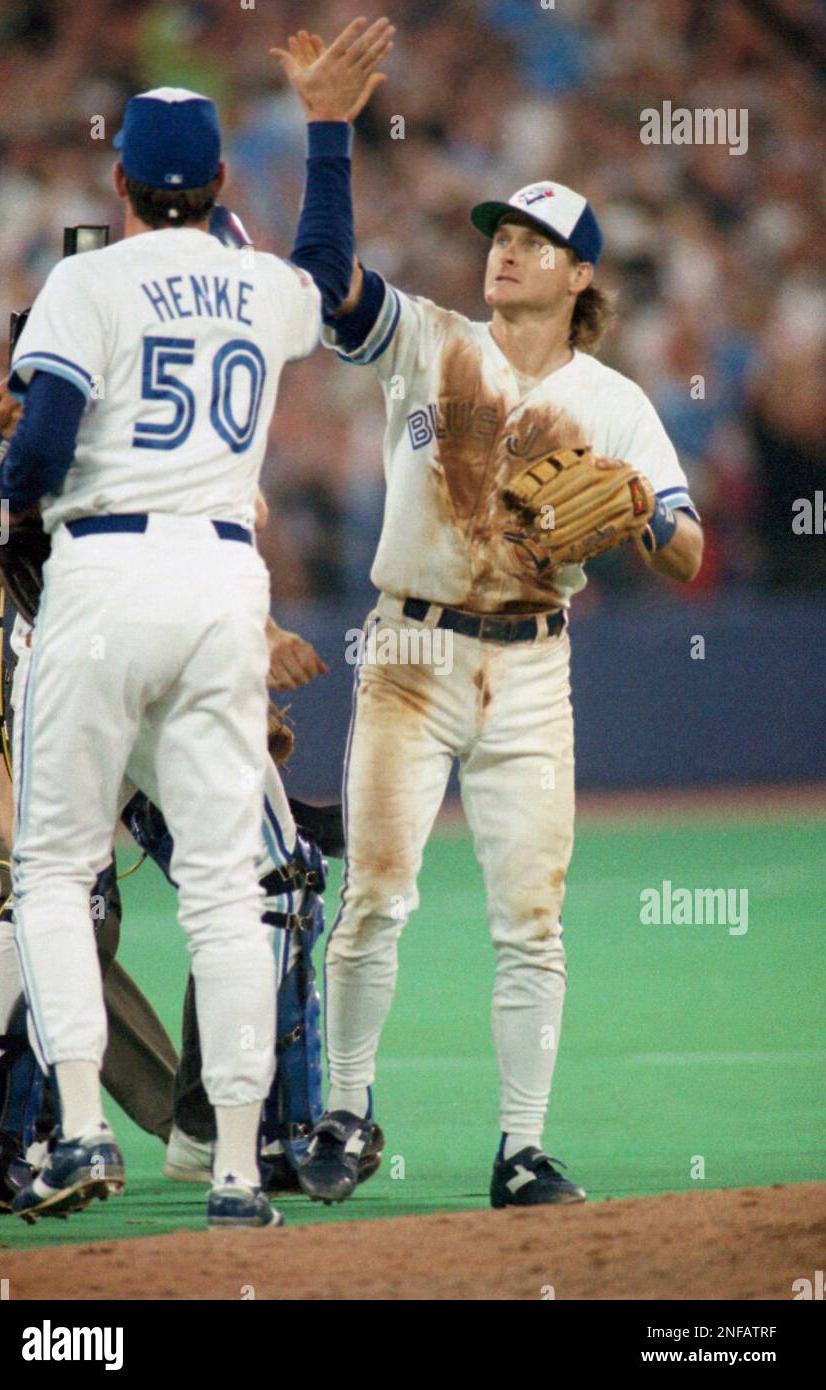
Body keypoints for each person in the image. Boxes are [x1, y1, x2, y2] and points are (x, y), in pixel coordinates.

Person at [0, 15, 394, 1229]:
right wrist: (326, 129)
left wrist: (0, 466)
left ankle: (84, 1136)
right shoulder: (259, 285)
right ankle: (230, 1172)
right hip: (222, 587)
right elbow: (326, 272)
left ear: (120, 184)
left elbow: (42, 451)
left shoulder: (84, 278)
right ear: (214, 185)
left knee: (55, 870)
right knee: (226, 889)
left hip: (103, 583)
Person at [273, 32, 703, 1210]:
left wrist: (636, 520)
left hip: (529, 672)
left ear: (578, 277)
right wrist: (326, 129)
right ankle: (346, 1114)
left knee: (530, 915)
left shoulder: (612, 403)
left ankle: (520, 1151)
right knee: (374, 894)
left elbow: (685, 544)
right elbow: (319, 278)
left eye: (529, 242)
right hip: (408, 648)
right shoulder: (430, 339)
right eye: (498, 237)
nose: (503, 253)